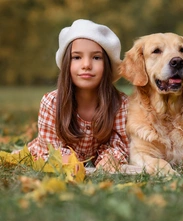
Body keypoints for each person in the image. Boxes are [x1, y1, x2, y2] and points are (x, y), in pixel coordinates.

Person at [27, 19, 129, 172]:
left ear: (107, 66)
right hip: (60, 159)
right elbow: (50, 152)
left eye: (96, 57)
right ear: (67, 63)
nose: (86, 64)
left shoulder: (120, 104)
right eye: (77, 57)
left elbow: (118, 146)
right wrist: (70, 163)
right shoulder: (52, 103)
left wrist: (108, 162)